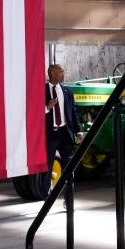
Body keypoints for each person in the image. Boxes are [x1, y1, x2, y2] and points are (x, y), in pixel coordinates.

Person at [44, 64, 82, 192]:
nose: (63, 73)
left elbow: (73, 113)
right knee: (47, 168)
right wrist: (47, 108)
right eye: (61, 71)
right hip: (50, 134)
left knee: (69, 167)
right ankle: (46, 198)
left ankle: (69, 198)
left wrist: (78, 131)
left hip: (65, 133)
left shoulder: (67, 91)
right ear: (52, 73)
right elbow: (32, 112)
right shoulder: (41, 90)